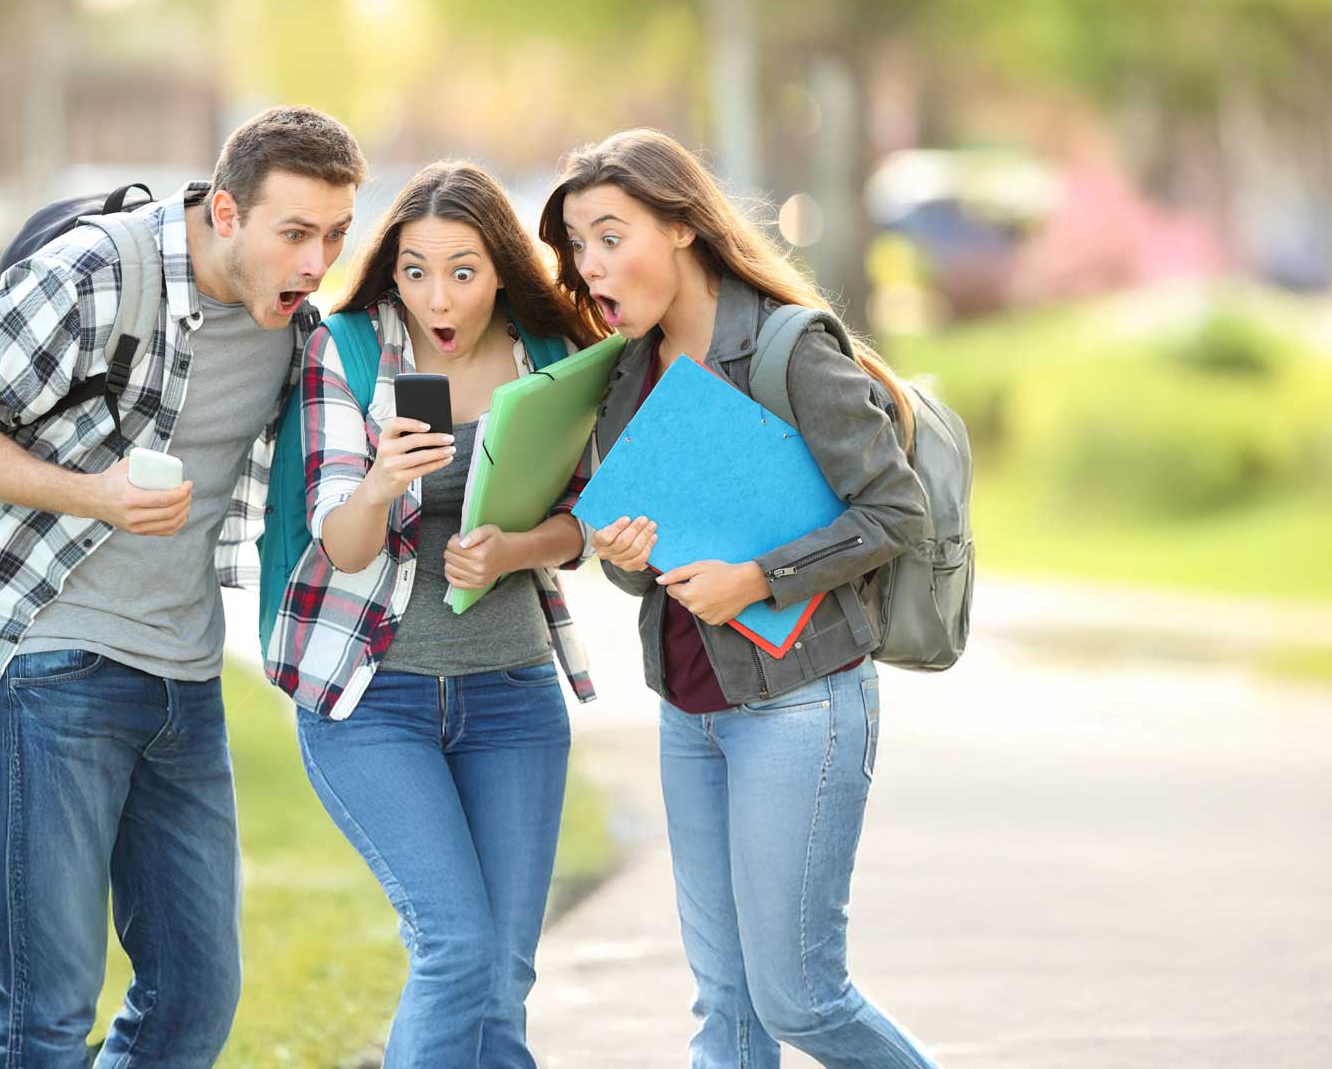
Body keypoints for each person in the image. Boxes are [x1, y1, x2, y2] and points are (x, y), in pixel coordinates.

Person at [0, 105, 367, 1068]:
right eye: (296, 233)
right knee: (46, 1015)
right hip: (55, 659)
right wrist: (96, 496)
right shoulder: (94, 273)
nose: (316, 260)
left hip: (184, 679)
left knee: (197, 997)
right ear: (228, 213)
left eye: (335, 235)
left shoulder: (295, 325)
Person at [541, 128, 942, 1069]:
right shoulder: (625, 374)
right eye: (579, 247)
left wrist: (759, 579)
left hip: (800, 705)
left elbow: (895, 511)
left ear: (682, 227)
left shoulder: (784, 348)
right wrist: (625, 553)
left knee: (802, 1002)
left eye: (611, 235)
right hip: (693, 710)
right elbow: (638, 565)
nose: (592, 266)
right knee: (726, 1011)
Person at [276, 160, 604, 1068]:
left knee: (501, 980)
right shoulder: (343, 347)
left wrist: (515, 549)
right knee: (457, 949)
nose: (437, 297)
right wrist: (382, 481)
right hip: (373, 697)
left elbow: (590, 523)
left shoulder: (552, 355)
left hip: (512, 694)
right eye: (415, 270)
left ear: (502, 267)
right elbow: (343, 545)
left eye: (462, 270)